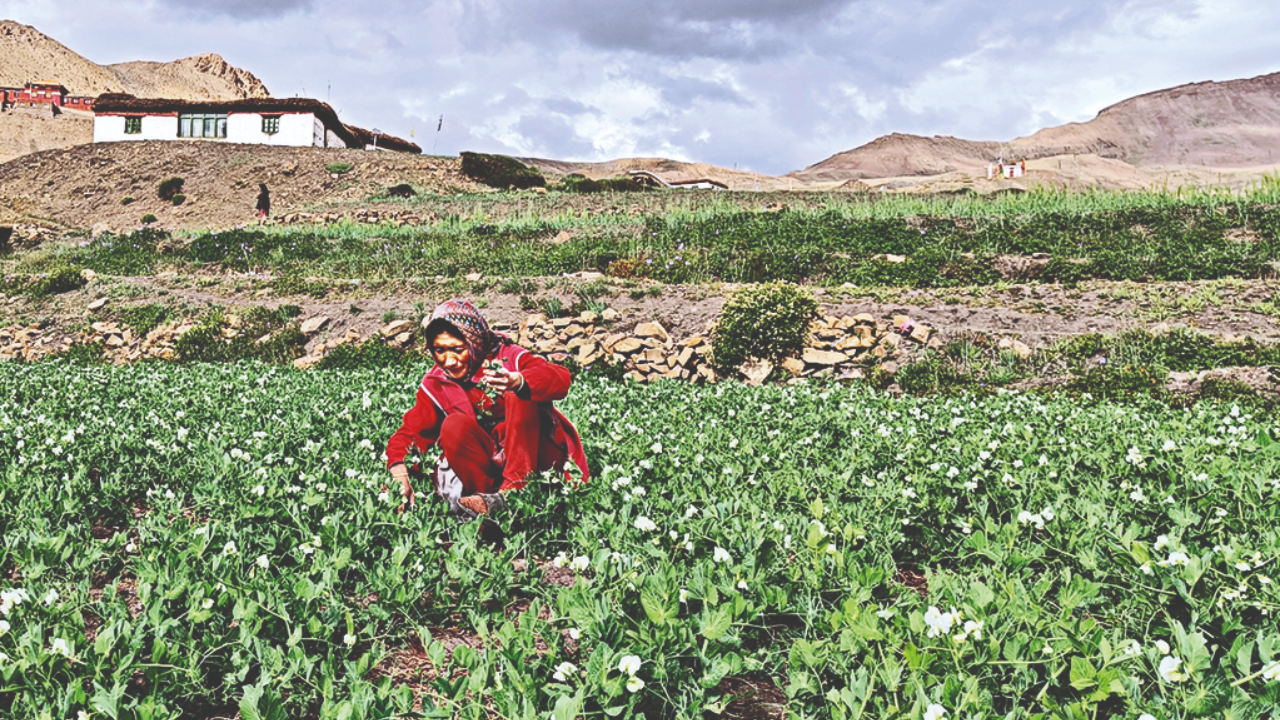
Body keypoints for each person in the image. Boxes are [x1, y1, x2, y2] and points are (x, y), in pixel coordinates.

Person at [386, 299, 589, 520]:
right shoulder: (436, 383)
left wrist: (519, 381)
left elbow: (560, 379)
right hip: (487, 465)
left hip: (538, 459)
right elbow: (412, 432)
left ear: (475, 342)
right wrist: (399, 469)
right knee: (453, 426)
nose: (449, 360)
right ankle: (487, 506)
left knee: (516, 392)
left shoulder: (508, 357)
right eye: (439, 350)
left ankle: (514, 492)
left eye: (457, 349)